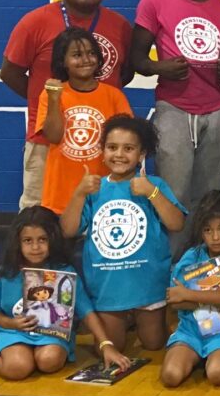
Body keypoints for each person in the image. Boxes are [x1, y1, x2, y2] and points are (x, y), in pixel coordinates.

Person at [130, 0, 220, 256]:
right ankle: (170, 263)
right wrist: (159, 68)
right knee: (174, 192)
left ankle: (204, 264)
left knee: (209, 194)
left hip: (215, 108)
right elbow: (136, 59)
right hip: (173, 107)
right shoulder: (155, 2)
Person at [0, 0, 133, 210]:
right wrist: (50, 103)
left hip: (104, 146)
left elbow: (123, 74)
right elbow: (9, 73)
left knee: (102, 215)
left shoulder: (120, 26)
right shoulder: (34, 22)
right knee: (39, 216)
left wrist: (93, 100)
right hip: (48, 143)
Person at [60, 115, 186, 352]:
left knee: (154, 344)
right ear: (102, 151)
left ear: (141, 154)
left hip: (147, 283)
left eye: (128, 148)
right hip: (108, 286)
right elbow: (67, 230)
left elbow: (177, 223)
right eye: (112, 147)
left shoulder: (153, 184)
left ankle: (144, 319)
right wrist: (78, 194)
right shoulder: (94, 188)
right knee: (111, 348)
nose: (119, 154)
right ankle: (124, 319)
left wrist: (152, 193)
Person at [0, 206, 132, 380]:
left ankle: (37, 354)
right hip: (13, 332)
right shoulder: (5, 273)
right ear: (17, 243)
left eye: (42, 239)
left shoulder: (64, 272)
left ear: (53, 239)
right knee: (17, 368)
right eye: (27, 240)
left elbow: (86, 311)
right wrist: (9, 323)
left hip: (51, 334)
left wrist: (106, 345)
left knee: (49, 362)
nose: (35, 247)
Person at [161, 191, 220, 388]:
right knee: (170, 376)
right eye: (207, 230)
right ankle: (200, 354)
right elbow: (175, 302)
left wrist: (188, 295)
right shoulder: (191, 256)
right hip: (192, 329)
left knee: (217, 374)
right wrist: (209, 299)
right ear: (201, 232)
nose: (215, 237)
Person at [37, 28, 132, 215]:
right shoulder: (50, 95)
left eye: (91, 53)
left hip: (103, 193)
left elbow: (128, 143)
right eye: (77, 55)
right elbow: (54, 137)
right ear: (63, 61)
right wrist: (54, 99)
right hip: (61, 194)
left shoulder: (114, 96)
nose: (86, 60)